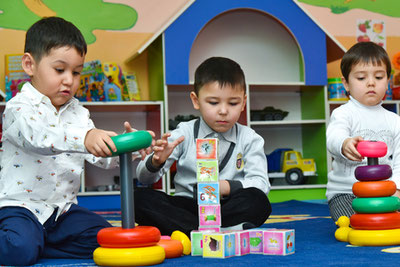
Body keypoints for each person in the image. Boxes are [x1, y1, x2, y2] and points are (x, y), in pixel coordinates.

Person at [0, 17, 153, 266]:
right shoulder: (19, 107)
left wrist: (130, 148)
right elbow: (37, 138)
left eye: (76, 72)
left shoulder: (78, 113)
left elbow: (97, 156)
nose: (69, 80)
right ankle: (33, 242)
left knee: (105, 239)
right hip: (21, 208)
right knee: (18, 248)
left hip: (62, 212)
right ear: (30, 64)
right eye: (60, 70)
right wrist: (84, 137)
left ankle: (41, 243)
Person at [135, 57, 271, 236]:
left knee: (258, 201)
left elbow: (261, 184)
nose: (223, 111)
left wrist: (225, 187)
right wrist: (155, 162)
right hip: (188, 207)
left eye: (233, 103)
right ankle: (212, 232)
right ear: (196, 100)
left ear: (244, 102)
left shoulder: (250, 138)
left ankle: (195, 232)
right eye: (213, 103)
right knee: (136, 198)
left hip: (227, 207)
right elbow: (144, 179)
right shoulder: (184, 132)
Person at [326, 41, 400, 222]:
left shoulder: (394, 121)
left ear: (388, 81)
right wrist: (344, 143)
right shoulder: (343, 113)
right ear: (346, 83)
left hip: (384, 193)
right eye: (361, 78)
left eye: (379, 77)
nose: (371, 83)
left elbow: (399, 161)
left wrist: (396, 189)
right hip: (347, 192)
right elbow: (334, 135)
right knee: (354, 220)